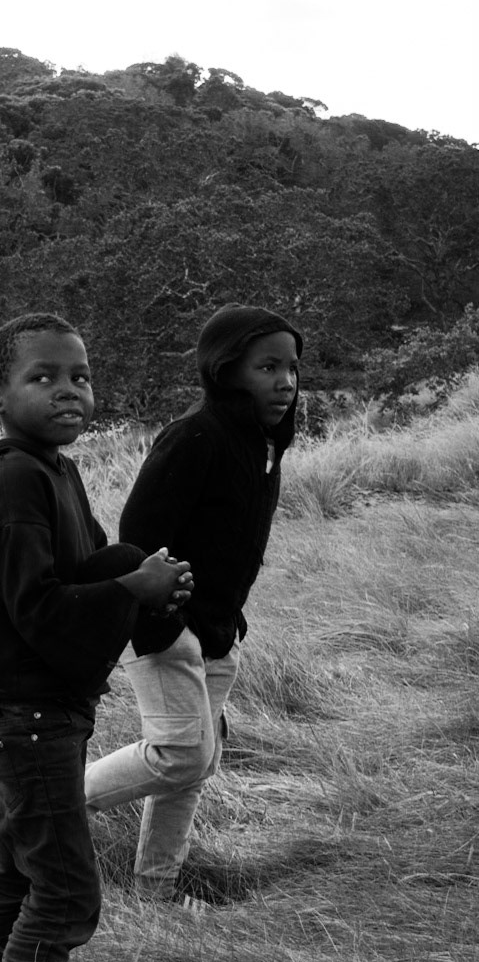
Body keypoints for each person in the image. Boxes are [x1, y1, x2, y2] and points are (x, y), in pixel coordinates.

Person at [0, 313, 192, 962]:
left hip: (26, 707)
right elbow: (38, 608)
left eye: (79, 377)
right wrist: (127, 589)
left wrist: (135, 576)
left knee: (20, 872)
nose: (67, 392)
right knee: (63, 892)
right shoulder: (14, 481)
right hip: (25, 715)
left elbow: (78, 571)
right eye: (43, 377)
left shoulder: (55, 469)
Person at [85, 303, 302, 907]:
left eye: (290, 367)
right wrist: (170, 621)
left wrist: (224, 622)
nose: (284, 381)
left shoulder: (262, 442)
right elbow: (137, 535)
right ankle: (47, 809)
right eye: (267, 367)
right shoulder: (197, 435)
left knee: (195, 768)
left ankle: (155, 893)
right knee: (181, 755)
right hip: (167, 629)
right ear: (226, 369)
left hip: (218, 631)